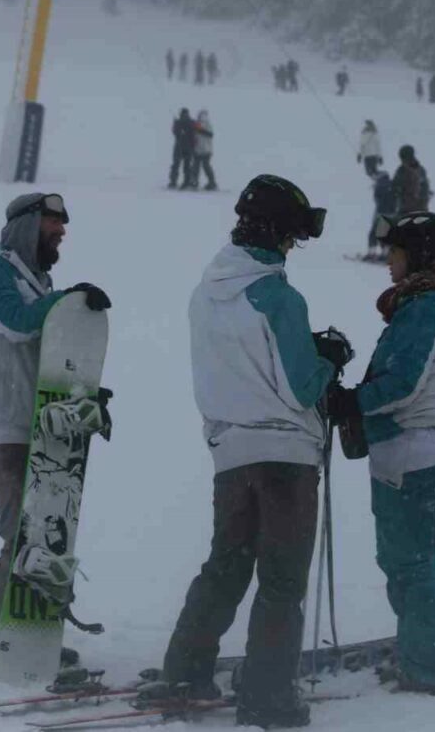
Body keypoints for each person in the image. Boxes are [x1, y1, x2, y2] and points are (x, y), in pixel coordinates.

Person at [148, 175, 348, 728]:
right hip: (286, 457)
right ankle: (267, 694)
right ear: (277, 233)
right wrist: (329, 358)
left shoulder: (206, 291)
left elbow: (245, 365)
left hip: (230, 452)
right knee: (281, 580)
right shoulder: (278, 296)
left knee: (226, 566)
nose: (292, 247)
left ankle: (186, 669)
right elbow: (301, 388)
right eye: (292, 237)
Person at [327, 210, 435, 698]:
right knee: (411, 562)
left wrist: (351, 401)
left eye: (394, 250)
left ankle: (433, 669)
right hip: (429, 449)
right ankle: (423, 652)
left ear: (417, 256)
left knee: (412, 566)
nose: (388, 259)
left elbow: (403, 383)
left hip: (412, 453)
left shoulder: (423, 310)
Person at [0, 192, 112, 677]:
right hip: (5, 427)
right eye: (53, 221)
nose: (61, 231)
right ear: (27, 223)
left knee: (47, 539)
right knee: (21, 539)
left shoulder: (37, 280)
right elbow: (16, 323)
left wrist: (83, 395)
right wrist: (66, 302)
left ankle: (33, 639)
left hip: (42, 425)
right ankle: (2, 649)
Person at [365, 168, 397, 261]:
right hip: (391, 214)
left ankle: (372, 253)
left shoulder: (379, 185)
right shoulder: (393, 185)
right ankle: (384, 254)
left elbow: (377, 199)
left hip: (381, 213)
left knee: (373, 232)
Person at [393, 145, 430, 215]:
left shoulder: (403, 171)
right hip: (413, 209)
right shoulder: (419, 169)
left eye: (402, 157)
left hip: (409, 210)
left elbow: (394, 187)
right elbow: (394, 187)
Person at [169, 107, 196, 189]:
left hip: (179, 147)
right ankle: (186, 182)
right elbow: (195, 134)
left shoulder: (178, 122)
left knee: (176, 165)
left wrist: (175, 123)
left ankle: (173, 181)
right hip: (189, 148)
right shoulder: (192, 122)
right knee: (187, 166)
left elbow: (175, 133)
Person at [192, 109, 217, 190]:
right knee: (196, 166)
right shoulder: (196, 124)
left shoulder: (206, 125)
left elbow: (210, 134)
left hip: (206, 150)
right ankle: (195, 182)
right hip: (199, 149)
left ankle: (211, 183)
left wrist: (200, 130)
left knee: (205, 166)